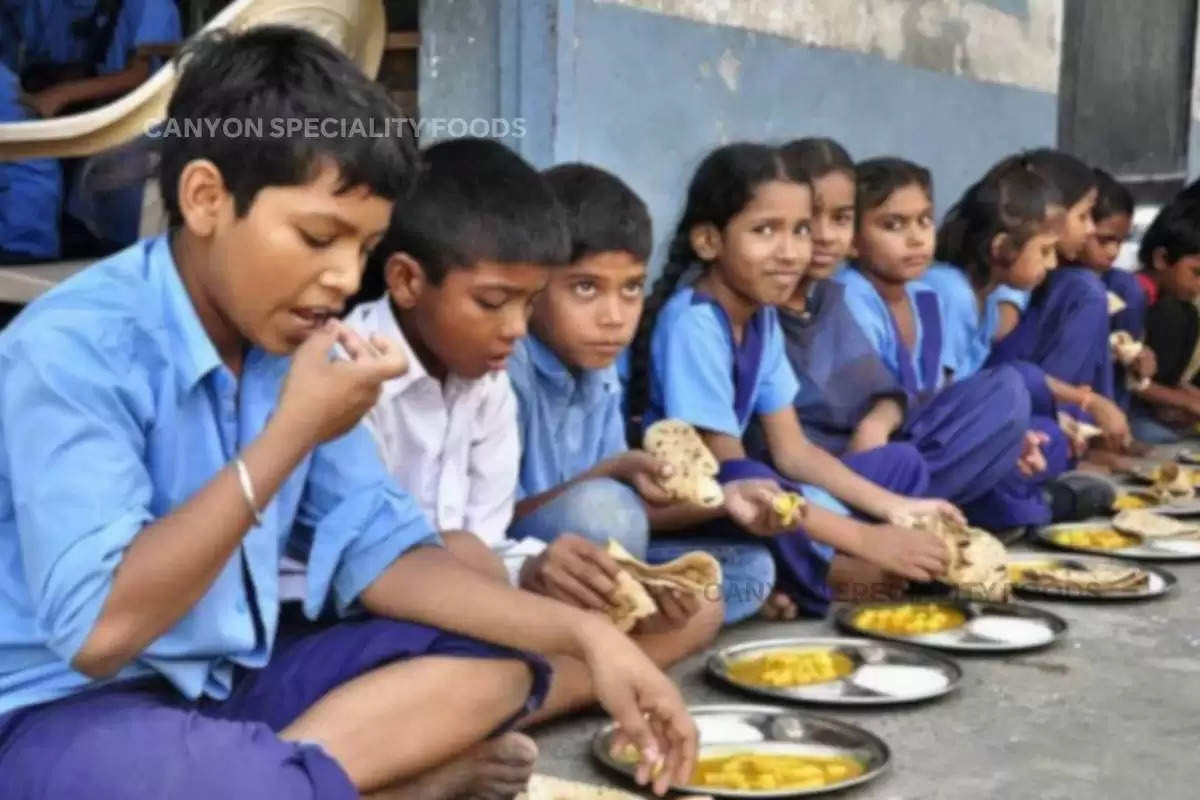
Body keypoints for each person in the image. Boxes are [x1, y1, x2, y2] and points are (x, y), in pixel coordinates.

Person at [0, 28, 696, 799]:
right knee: (241, 780)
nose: (340, 280)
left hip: (230, 680)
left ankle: (292, 778)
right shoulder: (74, 347)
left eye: (361, 249)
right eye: (316, 236)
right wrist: (293, 431)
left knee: (499, 663)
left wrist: (589, 637)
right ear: (205, 199)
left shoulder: (289, 341)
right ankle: (358, 783)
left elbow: (388, 552)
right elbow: (100, 632)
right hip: (59, 708)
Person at [624, 142, 952, 622]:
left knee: (900, 466)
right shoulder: (693, 323)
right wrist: (865, 536)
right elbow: (732, 474)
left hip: (761, 497)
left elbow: (794, 451)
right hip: (704, 508)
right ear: (709, 242)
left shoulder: (761, 318)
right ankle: (829, 573)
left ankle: (818, 567)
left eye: (799, 230)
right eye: (765, 230)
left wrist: (900, 509)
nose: (791, 252)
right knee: (759, 509)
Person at [509, 162, 779, 626]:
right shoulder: (507, 368)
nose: (614, 317)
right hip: (521, 562)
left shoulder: (602, 369)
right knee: (602, 511)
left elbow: (635, 514)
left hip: (602, 545)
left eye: (631, 288)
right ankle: (617, 632)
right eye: (586, 288)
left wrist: (723, 499)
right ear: (532, 285)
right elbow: (495, 525)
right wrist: (612, 473)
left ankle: (623, 621)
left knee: (748, 567)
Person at [833, 156, 1053, 530]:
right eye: (893, 225)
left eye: (923, 220)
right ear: (852, 241)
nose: (917, 237)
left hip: (909, 446)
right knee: (1009, 396)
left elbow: (929, 399)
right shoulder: (849, 295)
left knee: (1019, 408)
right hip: (861, 462)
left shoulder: (924, 299)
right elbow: (862, 423)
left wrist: (1002, 440)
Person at [985, 149, 1133, 451]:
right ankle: (1071, 434)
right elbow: (1000, 366)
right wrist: (1084, 401)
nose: (1089, 227)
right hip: (998, 406)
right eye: (1083, 215)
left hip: (1015, 399)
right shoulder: (1009, 281)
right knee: (1087, 292)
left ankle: (1083, 434)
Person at [1131, 181, 1200, 442]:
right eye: (1196, 273)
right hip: (1127, 410)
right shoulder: (1135, 295)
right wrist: (1183, 402)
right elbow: (1128, 380)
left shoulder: (1181, 308)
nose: (1199, 286)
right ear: (1161, 259)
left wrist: (1187, 396)